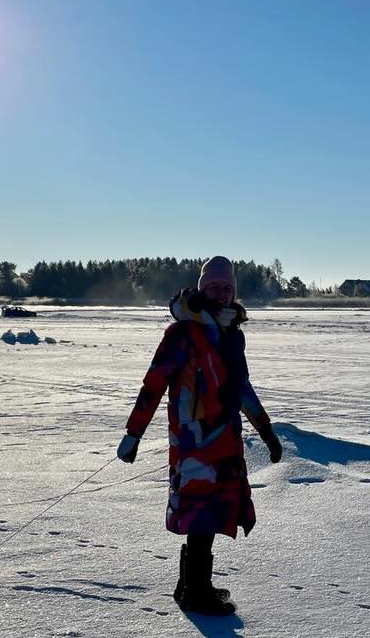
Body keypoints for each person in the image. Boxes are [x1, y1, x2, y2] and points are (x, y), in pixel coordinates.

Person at [118, 256, 283, 615]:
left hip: (224, 441)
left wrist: (266, 431)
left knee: (211, 510)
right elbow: (154, 384)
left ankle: (189, 586)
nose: (222, 294)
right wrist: (133, 434)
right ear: (202, 288)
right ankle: (196, 592)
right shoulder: (180, 335)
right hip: (193, 443)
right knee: (201, 512)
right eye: (214, 287)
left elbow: (242, 389)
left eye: (227, 288)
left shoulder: (232, 336)